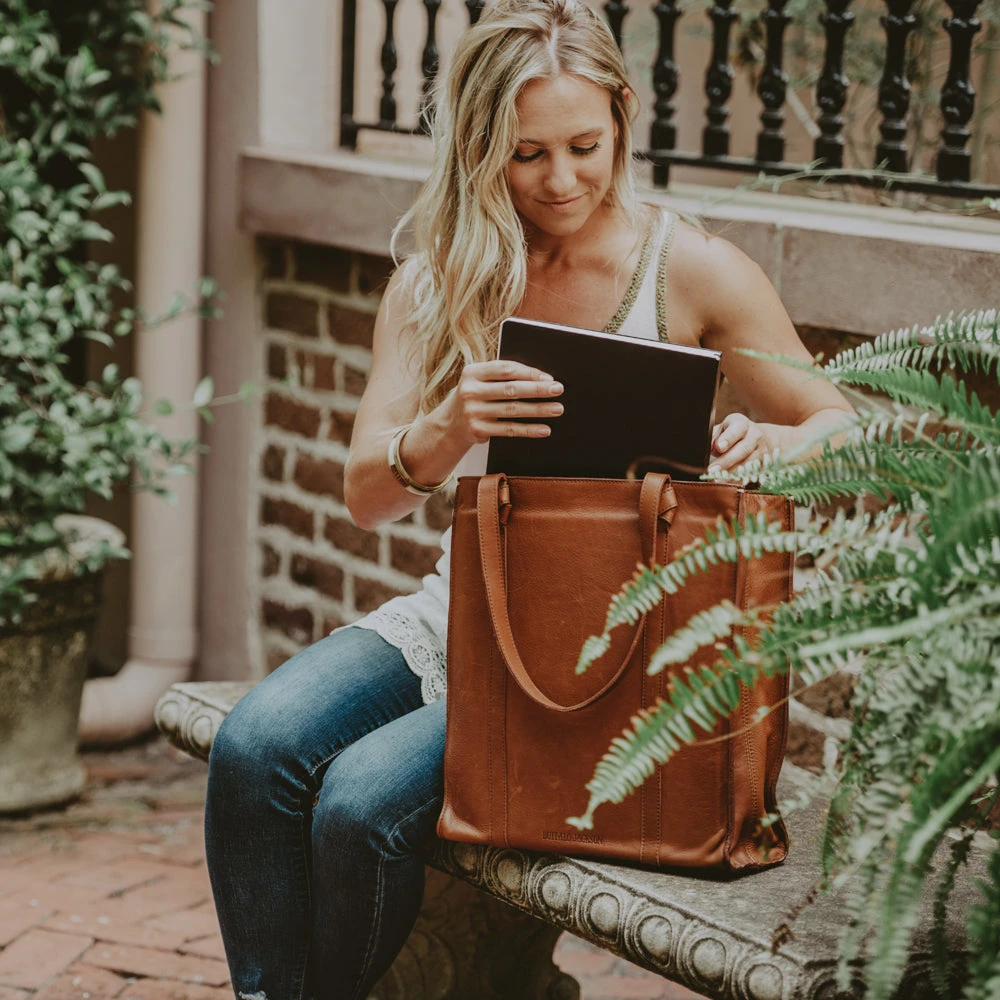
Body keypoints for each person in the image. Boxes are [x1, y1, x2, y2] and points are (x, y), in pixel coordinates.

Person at [204, 1, 853, 997]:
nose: (559, 181)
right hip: (477, 612)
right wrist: (446, 427)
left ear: (623, 114)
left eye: (583, 146)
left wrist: (775, 439)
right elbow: (366, 498)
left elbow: (839, 423)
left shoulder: (690, 270)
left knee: (360, 805)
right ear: (478, 148)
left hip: (623, 658)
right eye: (525, 154)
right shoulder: (436, 281)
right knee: (253, 747)